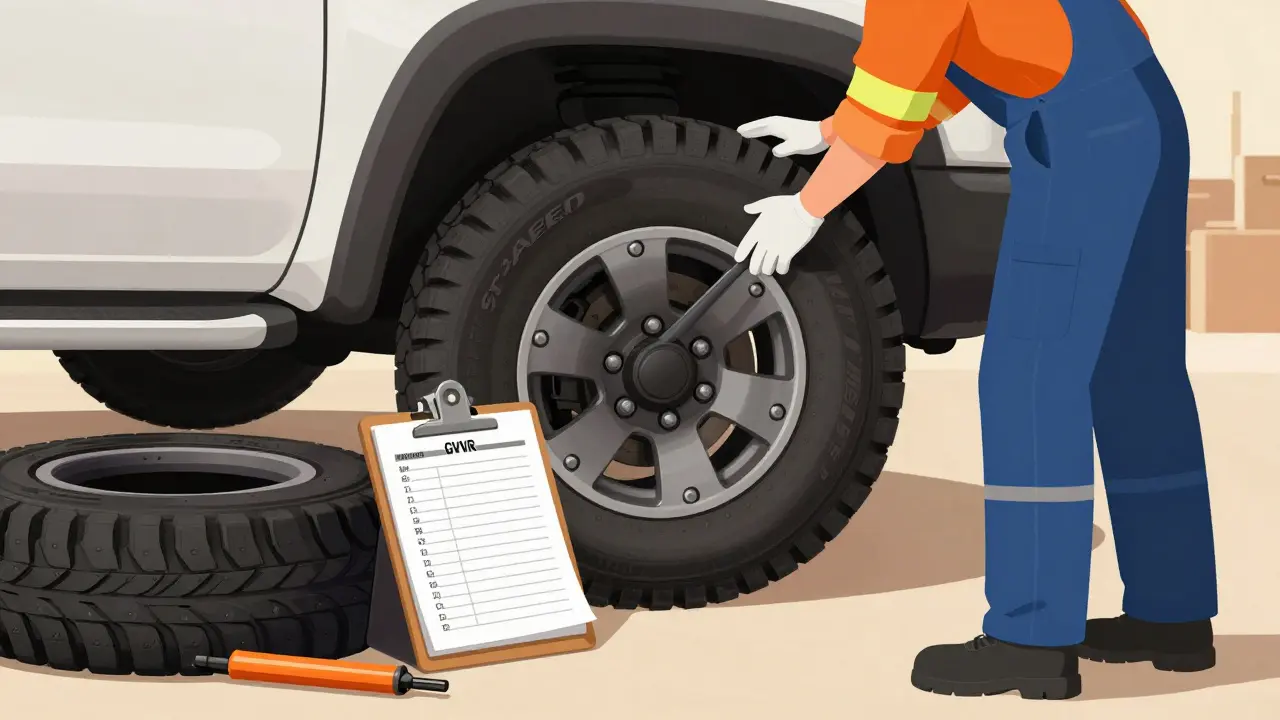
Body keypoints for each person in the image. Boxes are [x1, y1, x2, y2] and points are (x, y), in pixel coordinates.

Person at [735, 0, 1218, 701]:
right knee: (1134, 372)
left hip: (1079, 136)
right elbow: (950, 64)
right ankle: (1172, 615)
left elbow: (895, 103)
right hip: (1145, 112)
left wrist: (807, 207)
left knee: (1031, 376)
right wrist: (826, 130)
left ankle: (1031, 637)